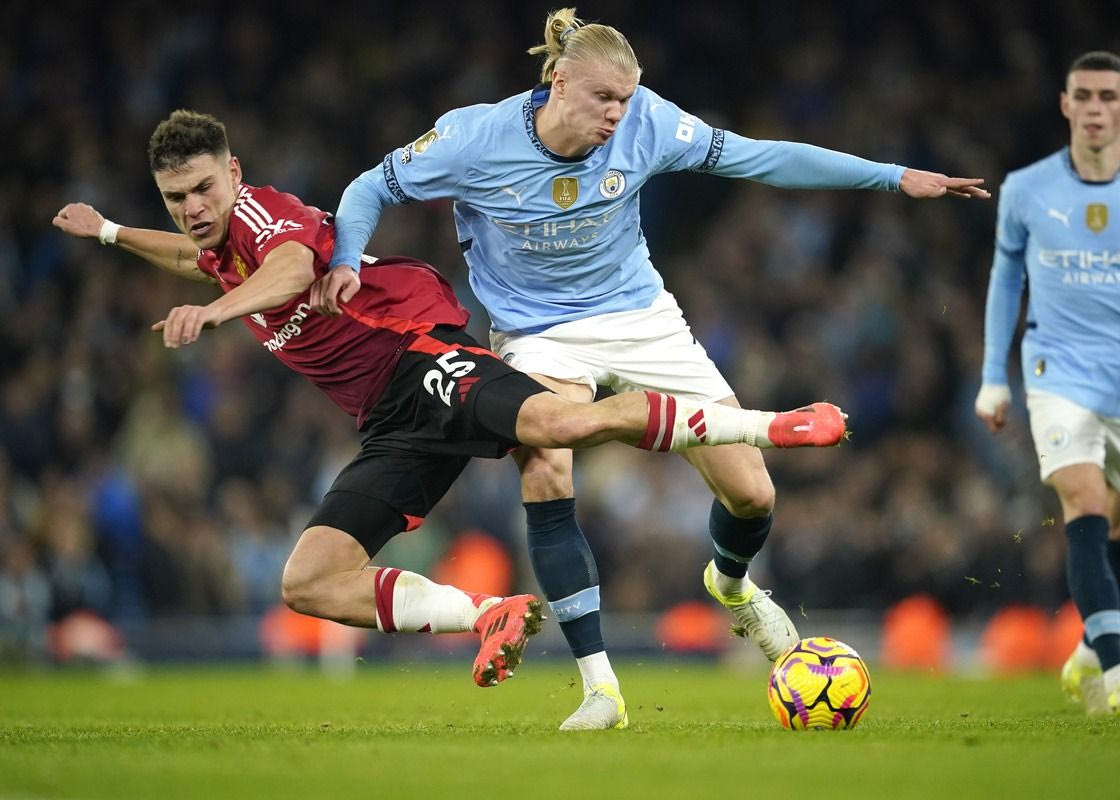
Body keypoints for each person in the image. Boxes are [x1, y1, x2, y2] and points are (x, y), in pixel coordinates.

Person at [313, 9, 990, 730]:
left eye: (626, 98)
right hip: (538, 335)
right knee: (547, 462)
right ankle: (600, 690)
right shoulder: (475, 137)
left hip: (641, 320)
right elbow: (368, 188)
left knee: (753, 495)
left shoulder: (649, 124)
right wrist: (347, 259)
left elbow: (761, 157)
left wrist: (893, 177)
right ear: (558, 82)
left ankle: (731, 585)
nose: (617, 114)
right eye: (603, 97)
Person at [52, 110, 847, 701]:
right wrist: (113, 232)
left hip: (419, 353)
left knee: (558, 426)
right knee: (310, 580)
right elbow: (195, 258)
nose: (192, 207)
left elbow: (293, 268)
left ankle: (766, 426)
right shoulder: (218, 245)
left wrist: (215, 316)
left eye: (202, 188)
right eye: (175, 197)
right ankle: (489, 613)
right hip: (388, 419)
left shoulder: (261, 216)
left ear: (233, 173)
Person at [975, 53, 1120, 715]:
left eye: (1108, 96)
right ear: (1066, 104)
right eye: (1084, 95)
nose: (1095, 108)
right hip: (1056, 374)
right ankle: (1118, 669)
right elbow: (1005, 280)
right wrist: (992, 376)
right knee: (1086, 500)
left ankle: (1085, 653)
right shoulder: (1026, 188)